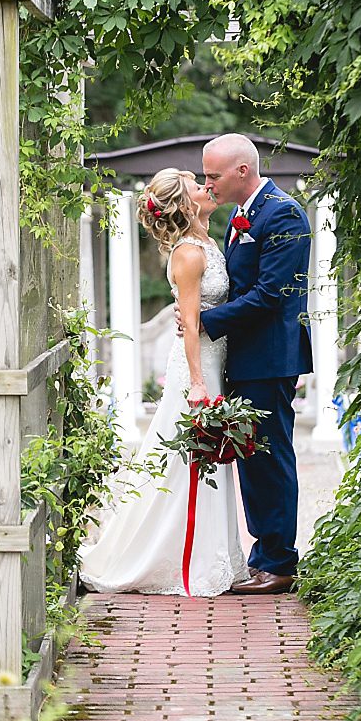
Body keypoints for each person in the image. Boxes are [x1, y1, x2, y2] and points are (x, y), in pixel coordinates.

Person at [80, 169, 246, 596]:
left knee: (202, 457)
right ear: (185, 204)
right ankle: (188, 561)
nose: (206, 187)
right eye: (196, 184)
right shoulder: (189, 254)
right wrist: (196, 383)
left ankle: (217, 554)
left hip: (216, 361)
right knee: (192, 460)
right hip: (197, 367)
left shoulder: (208, 241)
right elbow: (189, 325)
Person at [194, 133, 314, 595]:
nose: (209, 184)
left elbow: (270, 296)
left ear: (243, 171)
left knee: (270, 457)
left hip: (268, 357)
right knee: (251, 458)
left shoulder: (283, 213)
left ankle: (280, 563)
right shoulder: (241, 217)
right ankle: (264, 555)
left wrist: (206, 322)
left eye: (214, 175)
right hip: (245, 357)